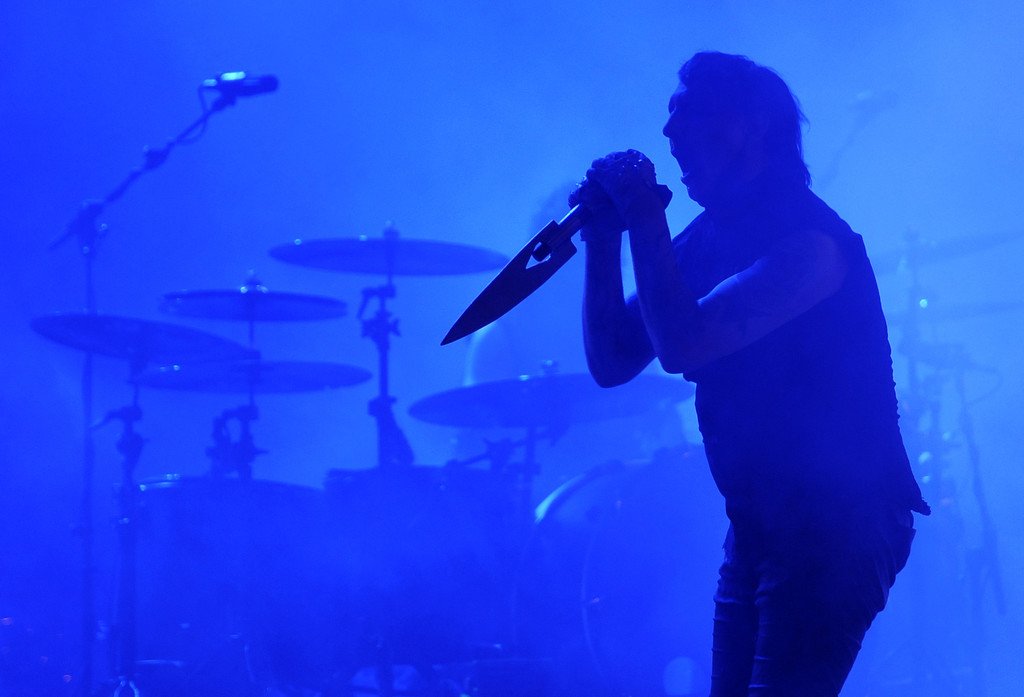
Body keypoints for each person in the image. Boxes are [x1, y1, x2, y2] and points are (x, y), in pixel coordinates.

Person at [574, 51, 930, 696]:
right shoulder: (712, 234)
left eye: (685, 113)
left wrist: (644, 215)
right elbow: (613, 360)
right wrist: (603, 239)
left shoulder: (811, 244)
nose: (668, 133)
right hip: (761, 527)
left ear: (748, 124)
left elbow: (685, 345)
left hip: (839, 524)